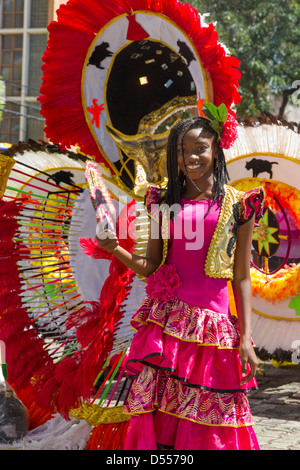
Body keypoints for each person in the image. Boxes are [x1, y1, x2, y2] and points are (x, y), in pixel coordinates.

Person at [96, 108, 264, 450]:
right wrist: (114, 247)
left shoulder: (239, 204)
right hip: (168, 327)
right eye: (182, 151)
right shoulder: (163, 201)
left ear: (216, 148)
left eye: (199, 148)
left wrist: (246, 337)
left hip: (213, 333)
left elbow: (242, 276)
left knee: (210, 423)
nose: (191, 157)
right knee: (164, 424)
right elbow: (151, 266)